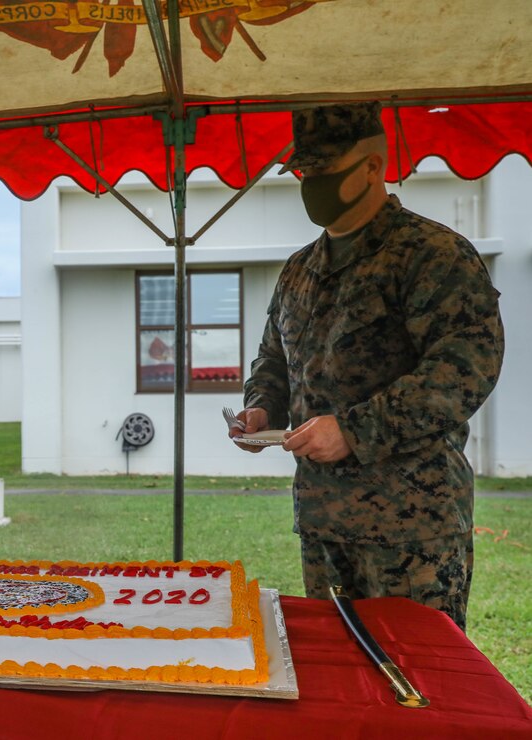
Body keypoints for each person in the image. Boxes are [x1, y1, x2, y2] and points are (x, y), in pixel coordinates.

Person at [232, 102, 504, 630]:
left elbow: (466, 368)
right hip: (323, 524)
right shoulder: (300, 270)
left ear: (372, 167)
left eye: (325, 171)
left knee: (419, 680)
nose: (312, 183)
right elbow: (275, 358)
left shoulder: (433, 255)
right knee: (340, 680)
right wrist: (261, 407)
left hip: (411, 528)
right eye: (304, 172)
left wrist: (354, 432)